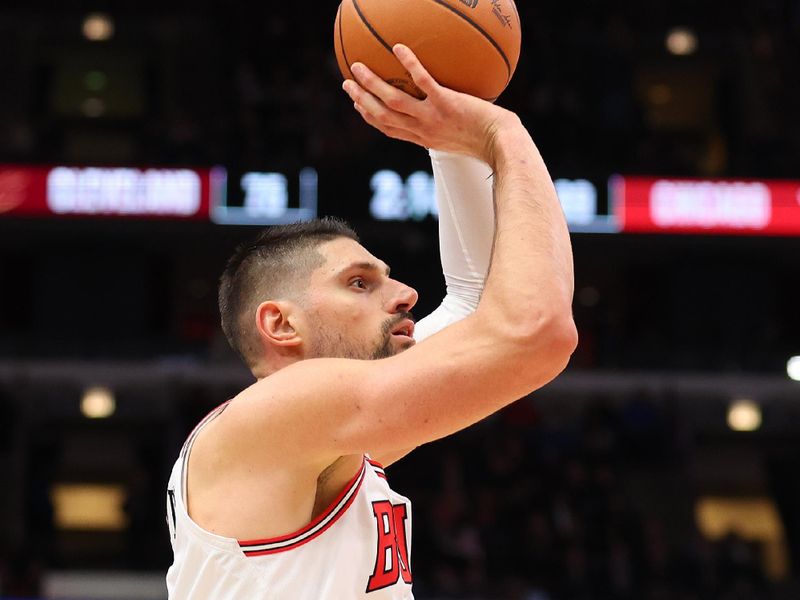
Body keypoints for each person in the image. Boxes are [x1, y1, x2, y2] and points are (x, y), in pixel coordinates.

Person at [165, 44, 577, 599]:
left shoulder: (320, 442)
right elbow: (536, 331)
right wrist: (500, 133)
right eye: (360, 283)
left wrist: (446, 138)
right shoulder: (285, 409)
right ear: (280, 325)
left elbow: (479, 306)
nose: (408, 294)